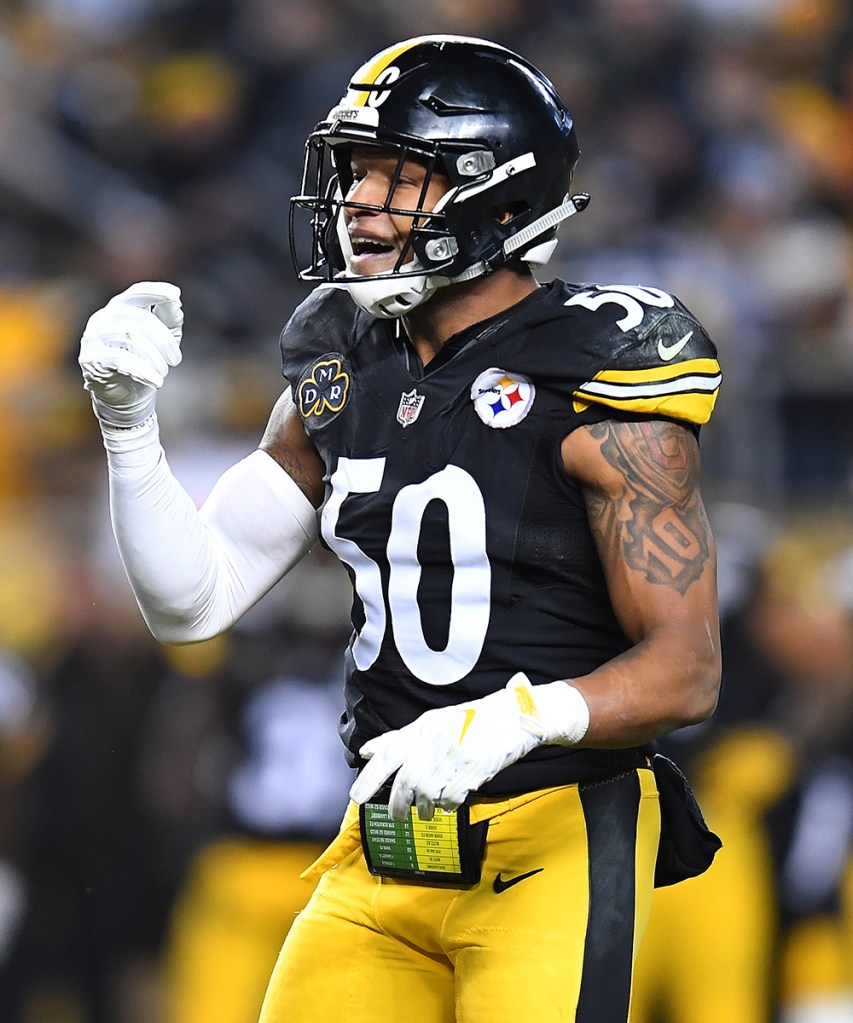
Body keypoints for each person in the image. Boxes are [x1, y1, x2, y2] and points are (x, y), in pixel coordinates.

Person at [77, 34, 723, 1023]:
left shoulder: (597, 370)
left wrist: (512, 719)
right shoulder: (340, 360)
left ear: (496, 198)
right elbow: (193, 601)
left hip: (547, 838)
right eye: (356, 173)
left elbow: (684, 670)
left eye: (398, 177)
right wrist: (128, 429)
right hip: (382, 848)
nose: (358, 205)